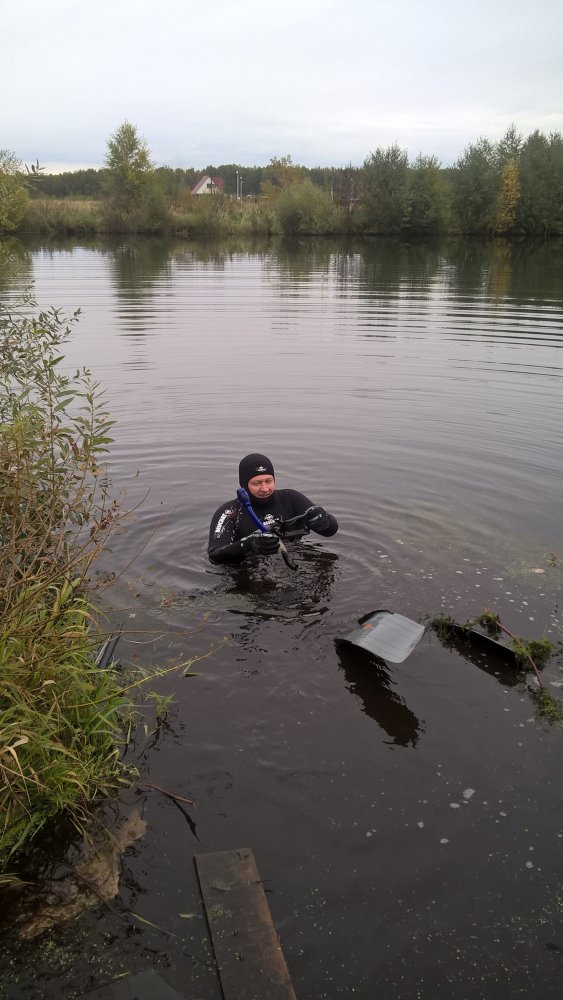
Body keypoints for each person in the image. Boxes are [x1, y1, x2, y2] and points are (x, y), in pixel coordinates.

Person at [208, 453, 338, 565]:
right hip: (250, 568)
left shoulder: (291, 498)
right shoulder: (230, 512)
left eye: (268, 481)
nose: (265, 489)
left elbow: (330, 531)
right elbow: (214, 556)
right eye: (256, 483)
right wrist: (246, 545)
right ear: (244, 486)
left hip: (293, 559)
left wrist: (323, 519)